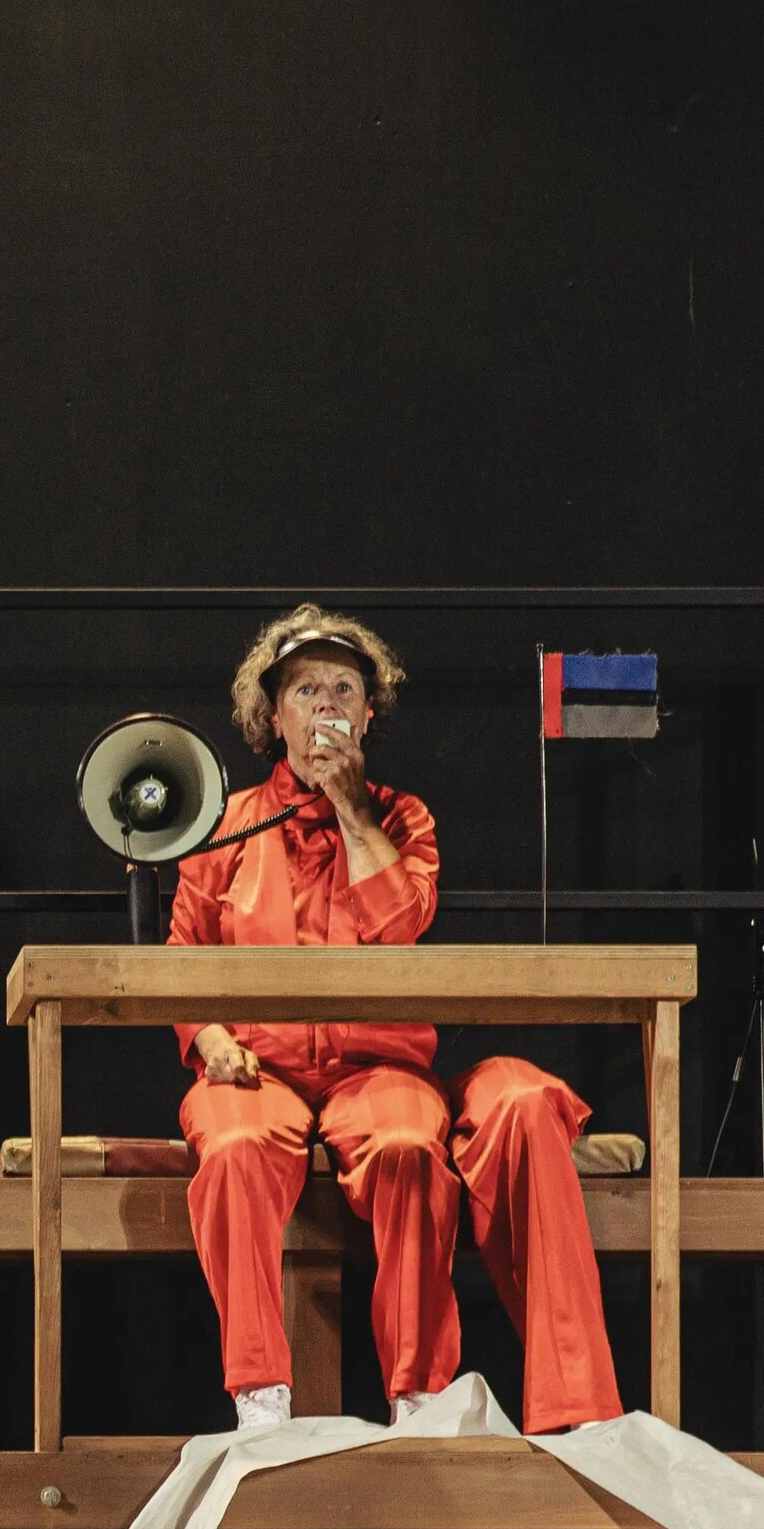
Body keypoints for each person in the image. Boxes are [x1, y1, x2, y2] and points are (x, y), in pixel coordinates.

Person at [169, 605, 623, 1438]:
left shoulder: (402, 817)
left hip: (376, 1067)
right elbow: (183, 944)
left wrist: (350, 808)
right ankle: (260, 1397)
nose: (327, 705)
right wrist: (207, 1036)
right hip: (256, 1069)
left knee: (413, 1149)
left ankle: (418, 1396)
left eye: (344, 688)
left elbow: (402, 917)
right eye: (307, 689)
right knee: (232, 1149)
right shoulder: (224, 824)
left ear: (368, 714)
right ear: (275, 717)